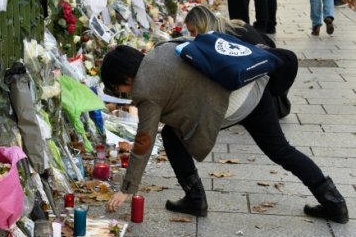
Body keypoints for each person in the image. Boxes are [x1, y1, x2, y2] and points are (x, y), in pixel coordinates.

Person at [100, 44, 349, 224]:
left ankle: (195, 198)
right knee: (280, 150)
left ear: (126, 77)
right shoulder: (161, 50)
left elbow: (144, 140)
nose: (123, 93)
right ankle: (333, 201)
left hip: (234, 101)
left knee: (171, 137)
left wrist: (127, 188)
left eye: (119, 87)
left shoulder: (145, 91)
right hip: (251, 84)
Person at [184, 5, 295, 120]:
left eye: (193, 31)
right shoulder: (234, 26)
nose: (192, 36)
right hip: (272, 93)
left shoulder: (225, 38)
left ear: (202, 25)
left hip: (263, 101)